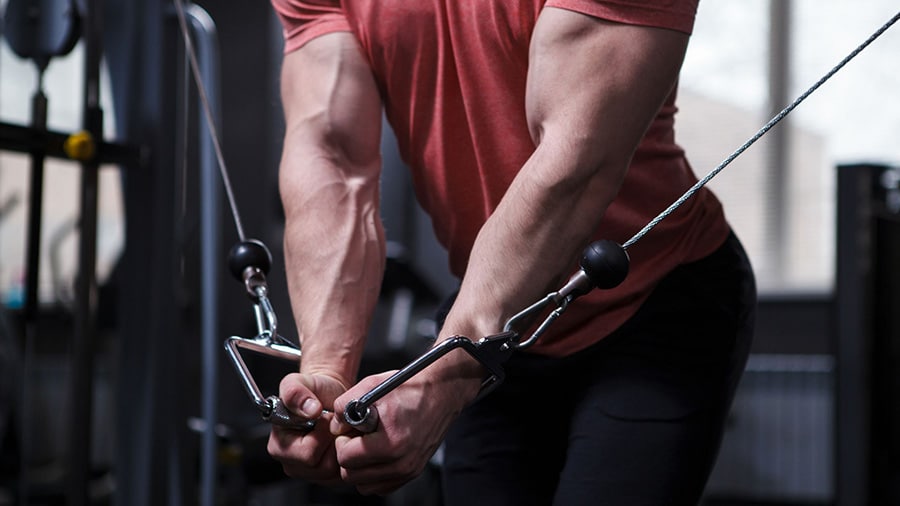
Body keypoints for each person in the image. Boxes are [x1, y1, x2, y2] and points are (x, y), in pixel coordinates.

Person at [266, 1, 757, 504]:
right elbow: (332, 155)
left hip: (650, 297)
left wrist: (445, 376)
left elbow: (575, 160)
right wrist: (325, 372)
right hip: (501, 324)